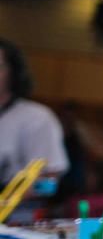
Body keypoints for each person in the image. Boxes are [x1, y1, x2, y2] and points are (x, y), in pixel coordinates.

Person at [0, 39, 68, 202]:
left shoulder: (36, 118)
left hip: (15, 217)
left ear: (13, 73)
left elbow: (50, 183)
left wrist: (10, 198)